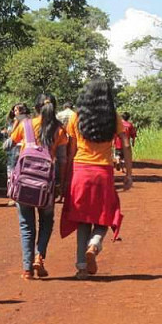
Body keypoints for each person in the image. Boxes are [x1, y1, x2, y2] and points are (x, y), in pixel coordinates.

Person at [61, 80, 133, 280]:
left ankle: (82, 267)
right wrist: (128, 174)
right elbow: (125, 145)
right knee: (107, 214)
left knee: (82, 219)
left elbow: (71, 150)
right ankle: (95, 243)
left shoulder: (75, 117)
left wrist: (66, 178)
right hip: (103, 172)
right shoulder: (113, 117)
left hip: (80, 171)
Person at [10, 94, 68, 279]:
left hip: (24, 184)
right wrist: (61, 184)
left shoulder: (25, 125)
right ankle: (39, 256)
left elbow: (8, 144)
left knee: (26, 225)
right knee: (46, 222)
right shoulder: (59, 130)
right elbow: (63, 160)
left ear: (36, 109)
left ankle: (27, 269)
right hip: (47, 185)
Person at [2, 103, 30, 207]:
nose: (14, 113)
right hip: (18, 149)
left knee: (13, 172)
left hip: (18, 148)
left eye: (16, 111)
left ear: (22, 111)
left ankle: (15, 196)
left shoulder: (21, 121)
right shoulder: (29, 120)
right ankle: (16, 195)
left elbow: (12, 134)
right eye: (14, 111)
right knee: (17, 172)